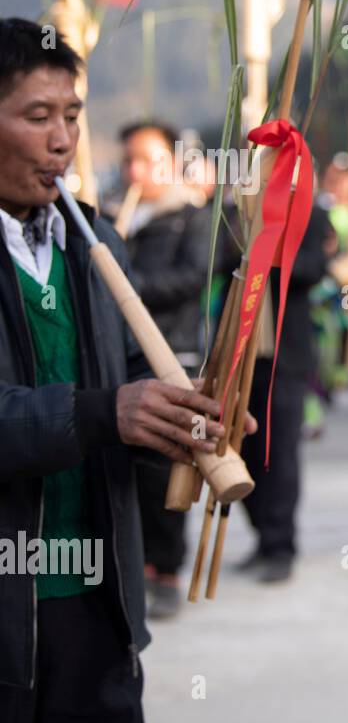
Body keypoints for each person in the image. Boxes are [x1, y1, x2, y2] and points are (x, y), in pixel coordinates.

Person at [0, 17, 230, 723]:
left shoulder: (97, 239)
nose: (63, 138)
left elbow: (131, 379)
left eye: (71, 114)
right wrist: (101, 413)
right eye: (37, 116)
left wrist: (180, 418)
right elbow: (100, 406)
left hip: (98, 605)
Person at [116, 119, 211, 619]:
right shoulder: (122, 221)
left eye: (147, 159)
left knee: (168, 469)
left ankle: (168, 570)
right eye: (129, 159)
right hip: (124, 360)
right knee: (129, 471)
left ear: (172, 161)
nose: (136, 170)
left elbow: (193, 277)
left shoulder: (190, 217)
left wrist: (128, 289)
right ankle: (140, 566)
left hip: (175, 357)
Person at [225, 187, 333, 583]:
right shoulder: (237, 209)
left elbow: (314, 268)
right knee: (245, 447)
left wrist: (268, 254)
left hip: (285, 354)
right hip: (241, 351)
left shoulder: (310, 210)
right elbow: (219, 261)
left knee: (279, 452)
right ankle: (261, 536)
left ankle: (281, 544)